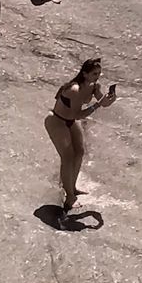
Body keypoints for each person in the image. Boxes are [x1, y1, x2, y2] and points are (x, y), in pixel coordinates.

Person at [45, 57, 117, 208]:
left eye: (98, 74)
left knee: (80, 151)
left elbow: (102, 102)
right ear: (84, 74)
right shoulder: (74, 90)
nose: (96, 77)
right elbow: (78, 114)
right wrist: (97, 105)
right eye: (94, 74)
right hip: (57, 121)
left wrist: (109, 100)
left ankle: (73, 187)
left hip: (70, 121)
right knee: (68, 156)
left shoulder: (94, 86)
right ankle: (69, 196)